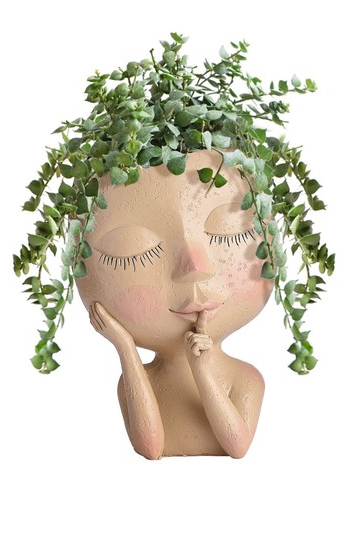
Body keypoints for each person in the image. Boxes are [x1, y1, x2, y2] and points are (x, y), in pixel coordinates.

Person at [74, 149, 274, 459]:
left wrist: (202, 369)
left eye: (229, 234)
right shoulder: (135, 381)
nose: (194, 267)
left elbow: (237, 446)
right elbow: (150, 448)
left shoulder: (246, 378)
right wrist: (125, 347)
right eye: (134, 250)